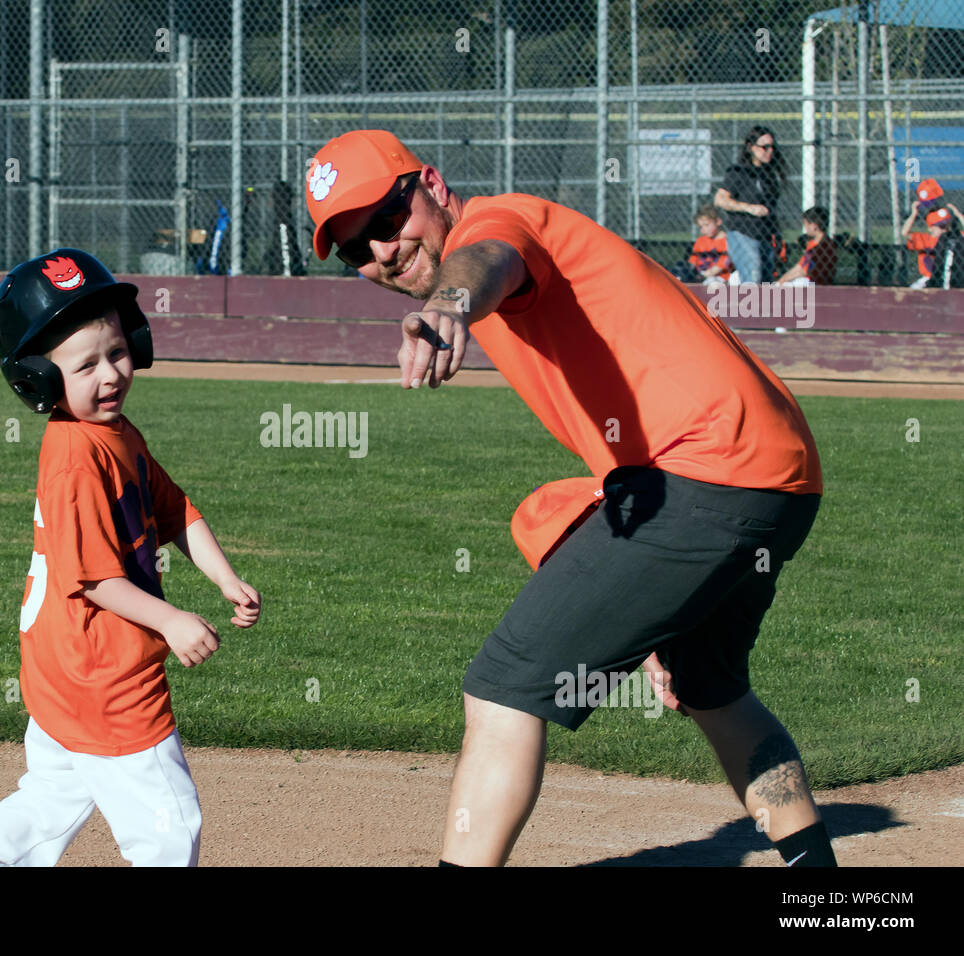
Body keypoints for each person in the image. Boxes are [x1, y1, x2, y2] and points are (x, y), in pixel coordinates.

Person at [305, 129, 835, 868]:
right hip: (776, 477)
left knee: (501, 691)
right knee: (708, 684)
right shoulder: (508, 248)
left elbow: (488, 258)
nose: (381, 252)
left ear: (432, 184)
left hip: (710, 467)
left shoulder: (502, 223)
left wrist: (452, 305)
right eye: (357, 249)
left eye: (387, 222)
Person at [0, 249, 261, 867]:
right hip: (107, 672)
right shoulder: (76, 459)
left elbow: (176, 510)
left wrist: (225, 577)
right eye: (85, 365)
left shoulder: (117, 433)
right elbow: (94, 579)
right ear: (38, 378)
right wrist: (171, 620)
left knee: (50, 797)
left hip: (63, 666)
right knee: (168, 827)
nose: (110, 375)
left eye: (117, 353)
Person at [714, 126, 786, 283]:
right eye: (764, 147)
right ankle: (749, 307)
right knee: (753, 276)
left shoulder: (769, 175)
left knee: (766, 281)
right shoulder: (739, 172)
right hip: (743, 233)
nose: (769, 151)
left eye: (772, 147)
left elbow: (771, 209)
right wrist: (748, 208)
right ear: (751, 147)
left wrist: (777, 235)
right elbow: (720, 199)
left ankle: (759, 308)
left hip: (764, 235)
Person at [902, 201, 962, 289]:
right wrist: (914, 214)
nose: (945, 229)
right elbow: (905, 233)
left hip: (949, 278)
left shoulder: (954, 239)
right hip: (928, 278)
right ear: (930, 228)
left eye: (947, 225)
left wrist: (958, 215)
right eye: (941, 226)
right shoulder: (925, 239)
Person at [777, 206, 838, 286]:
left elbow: (804, 271)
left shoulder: (823, 245)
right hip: (809, 281)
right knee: (780, 284)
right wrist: (781, 281)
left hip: (815, 283)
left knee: (794, 283)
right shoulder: (813, 243)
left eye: (806, 224)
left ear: (814, 226)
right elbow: (799, 266)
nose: (805, 228)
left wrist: (782, 282)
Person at [682, 205, 735, 284]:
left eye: (706, 225)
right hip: (700, 276)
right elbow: (693, 261)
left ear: (718, 221)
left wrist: (706, 275)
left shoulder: (728, 241)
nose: (703, 230)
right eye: (700, 227)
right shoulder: (701, 241)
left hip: (720, 278)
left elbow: (722, 264)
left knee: (712, 283)